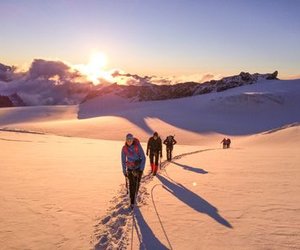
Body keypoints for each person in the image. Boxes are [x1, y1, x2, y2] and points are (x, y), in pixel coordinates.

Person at [121, 133, 146, 209]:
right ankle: (132, 201)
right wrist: (124, 171)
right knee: (131, 185)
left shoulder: (137, 146)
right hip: (130, 168)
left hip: (138, 168)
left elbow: (143, 158)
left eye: (130, 139)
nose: (129, 141)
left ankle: (135, 194)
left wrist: (141, 170)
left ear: (132, 139)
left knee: (137, 183)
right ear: (126, 140)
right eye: (128, 139)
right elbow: (123, 160)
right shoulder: (124, 148)